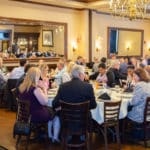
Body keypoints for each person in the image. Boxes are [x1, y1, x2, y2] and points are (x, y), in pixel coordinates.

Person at [18, 67, 60, 143]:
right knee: (56, 113)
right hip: (36, 115)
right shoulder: (35, 89)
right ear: (35, 77)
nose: (40, 78)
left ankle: (44, 133)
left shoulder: (22, 87)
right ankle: (53, 137)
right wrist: (44, 89)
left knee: (50, 110)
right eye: (39, 76)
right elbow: (45, 102)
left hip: (25, 116)